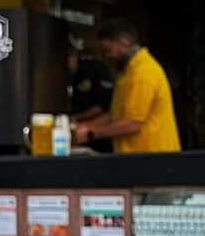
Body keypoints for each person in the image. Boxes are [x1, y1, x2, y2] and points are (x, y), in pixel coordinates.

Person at [74, 19, 181, 153]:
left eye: (108, 51)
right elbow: (116, 115)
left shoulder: (143, 74)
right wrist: (83, 126)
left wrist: (92, 133)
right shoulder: (126, 73)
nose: (106, 57)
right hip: (134, 156)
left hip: (151, 157)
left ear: (124, 43)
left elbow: (132, 123)